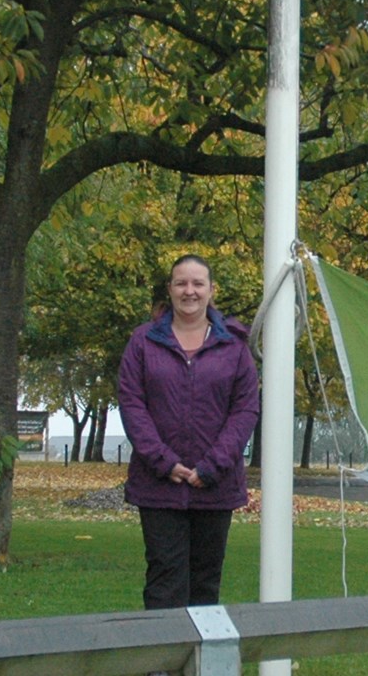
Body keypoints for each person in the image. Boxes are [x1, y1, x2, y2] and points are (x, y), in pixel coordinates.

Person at [117, 254, 261, 610]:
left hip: (216, 486)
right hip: (158, 486)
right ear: (170, 289)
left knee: (205, 582)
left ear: (212, 290)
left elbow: (245, 410)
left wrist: (213, 465)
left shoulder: (235, 347)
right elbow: (132, 404)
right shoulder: (143, 343)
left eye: (198, 283)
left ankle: (200, 663)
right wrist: (164, 462)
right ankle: (162, 663)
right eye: (181, 283)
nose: (190, 291)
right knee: (165, 578)